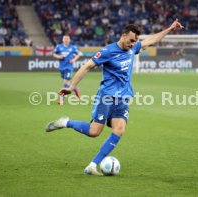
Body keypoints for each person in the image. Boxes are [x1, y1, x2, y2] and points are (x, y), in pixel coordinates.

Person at [46, 19, 183, 175]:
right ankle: (66, 122)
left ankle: (92, 165)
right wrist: (71, 87)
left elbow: (150, 40)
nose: (133, 43)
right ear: (123, 35)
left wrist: (170, 28)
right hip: (106, 97)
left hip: (123, 98)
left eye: (135, 41)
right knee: (94, 132)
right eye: (131, 40)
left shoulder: (133, 48)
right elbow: (87, 66)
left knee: (120, 129)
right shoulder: (108, 51)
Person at [53, 34, 80, 105]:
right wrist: (59, 56)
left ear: (69, 40)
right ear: (62, 40)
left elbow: (78, 54)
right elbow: (54, 54)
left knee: (65, 84)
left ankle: (61, 100)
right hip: (62, 67)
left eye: (67, 39)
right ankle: (74, 89)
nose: (66, 40)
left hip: (69, 67)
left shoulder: (73, 47)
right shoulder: (59, 46)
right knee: (66, 83)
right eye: (65, 39)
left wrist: (74, 59)